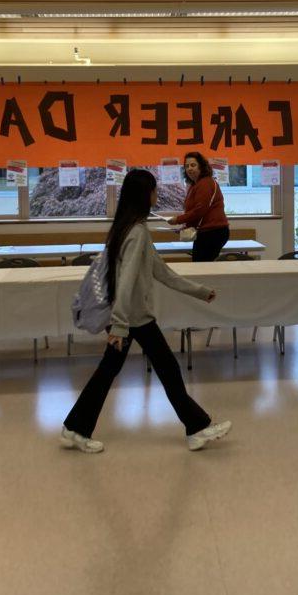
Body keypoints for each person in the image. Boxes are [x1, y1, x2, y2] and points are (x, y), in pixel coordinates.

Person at [62, 169, 231, 453]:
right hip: (132, 319)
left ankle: (76, 428)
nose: (157, 194)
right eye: (153, 190)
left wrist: (199, 292)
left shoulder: (127, 228)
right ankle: (196, 428)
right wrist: (118, 326)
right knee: (159, 370)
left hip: (133, 318)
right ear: (145, 195)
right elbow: (126, 280)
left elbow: (162, 273)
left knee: (148, 371)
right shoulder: (137, 233)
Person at [167, 151, 230, 262]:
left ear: (201, 166)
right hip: (207, 232)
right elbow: (199, 212)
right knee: (201, 266)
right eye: (187, 166)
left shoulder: (205, 183)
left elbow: (199, 210)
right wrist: (186, 225)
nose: (189, 169)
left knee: (201, 268)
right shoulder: (195, 184)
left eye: (193, 165)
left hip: (213, 233)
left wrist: (178, 219)